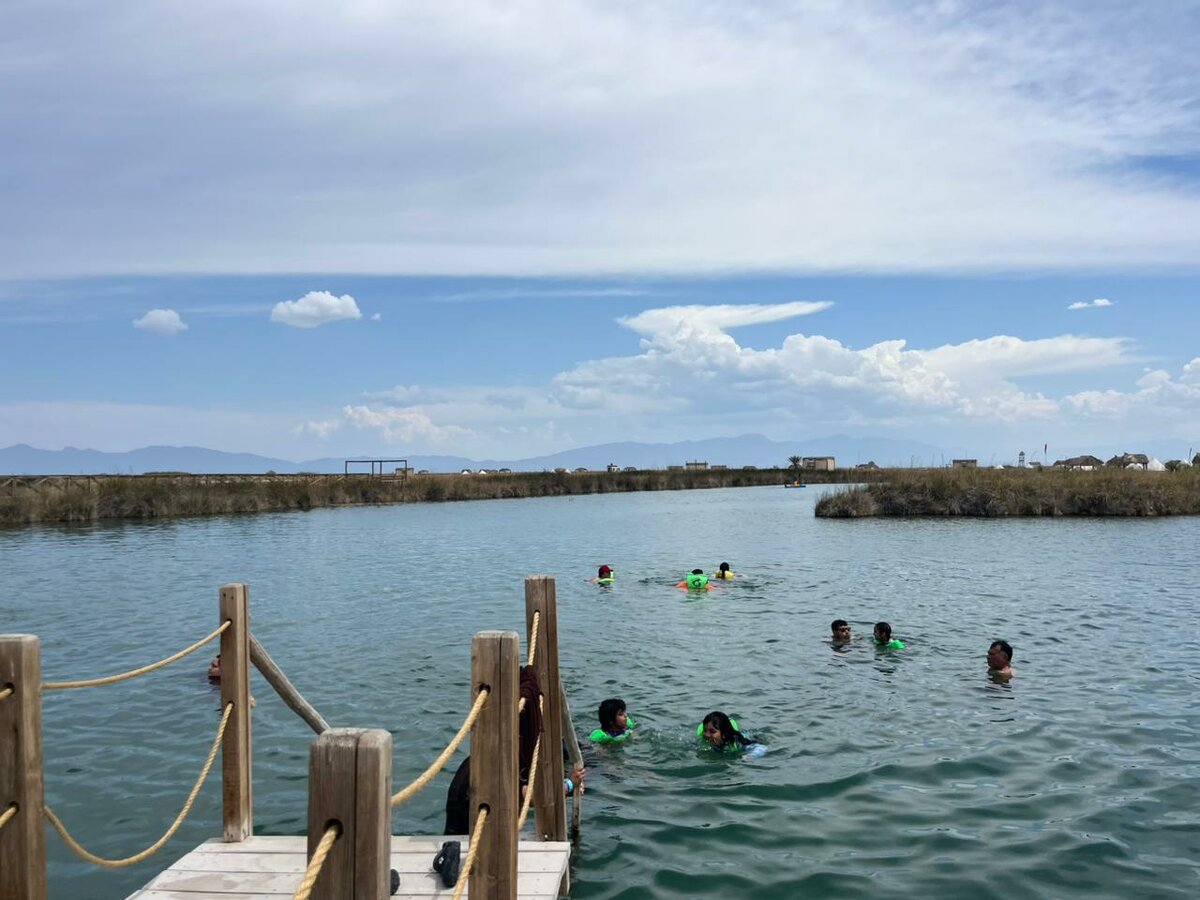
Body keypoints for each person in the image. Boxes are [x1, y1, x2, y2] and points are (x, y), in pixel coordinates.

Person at [697, 711, 764, 756]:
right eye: (705, 730)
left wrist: (750, 756)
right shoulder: (703, 740)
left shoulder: (737, 741)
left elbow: (761, 747)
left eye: (712, 732)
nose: (707, 734)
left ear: (724, 734)